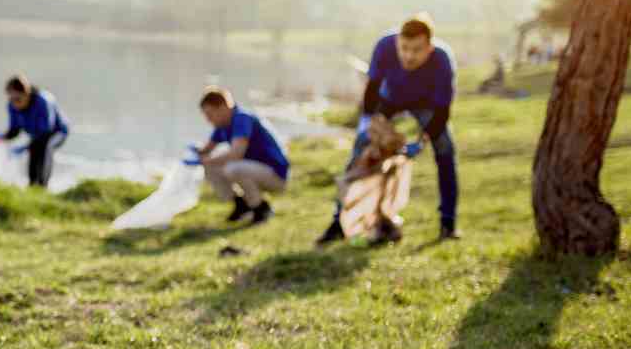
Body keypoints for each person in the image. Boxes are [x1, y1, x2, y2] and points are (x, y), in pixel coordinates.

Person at [318, 14, 458, 245]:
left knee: (445, 148)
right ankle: (338, 222)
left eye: (417, 50)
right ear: (397, 43)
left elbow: (442, 112)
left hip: (427, 104)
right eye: (404, 48)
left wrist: (420, 143)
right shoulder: (384, 46)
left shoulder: (442, 60)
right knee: (360, 147)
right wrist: (369, 125)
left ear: (429, 48)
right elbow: (372, 90)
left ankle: (448, 224)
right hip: (390, 99)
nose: (409, 55)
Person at [194, 87, 290, 225]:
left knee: (233, 168)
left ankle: (261, 208)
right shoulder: (222, 125)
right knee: (210, 167)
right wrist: (194, 153)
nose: (208, 119)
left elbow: (236, 154)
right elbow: (205, 150)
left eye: (210, 114)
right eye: (205, 115)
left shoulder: (242, 118)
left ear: (223, 107)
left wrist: (207, 160)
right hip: (254, 170)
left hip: (276, 176)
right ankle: (241, 206)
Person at [0, 74, 70, 187]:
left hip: (57, 132)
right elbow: (14, 130)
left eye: (17, 99)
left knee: (44, 147)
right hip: (38, 135)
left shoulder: (43, 101)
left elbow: (46, 131)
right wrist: (2, 137)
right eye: (11, 99)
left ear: (27, 93)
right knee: (34, 148)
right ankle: (32, 185)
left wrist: (25, 147)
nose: (15, 103)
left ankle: (43, 185)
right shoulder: (12, 106)